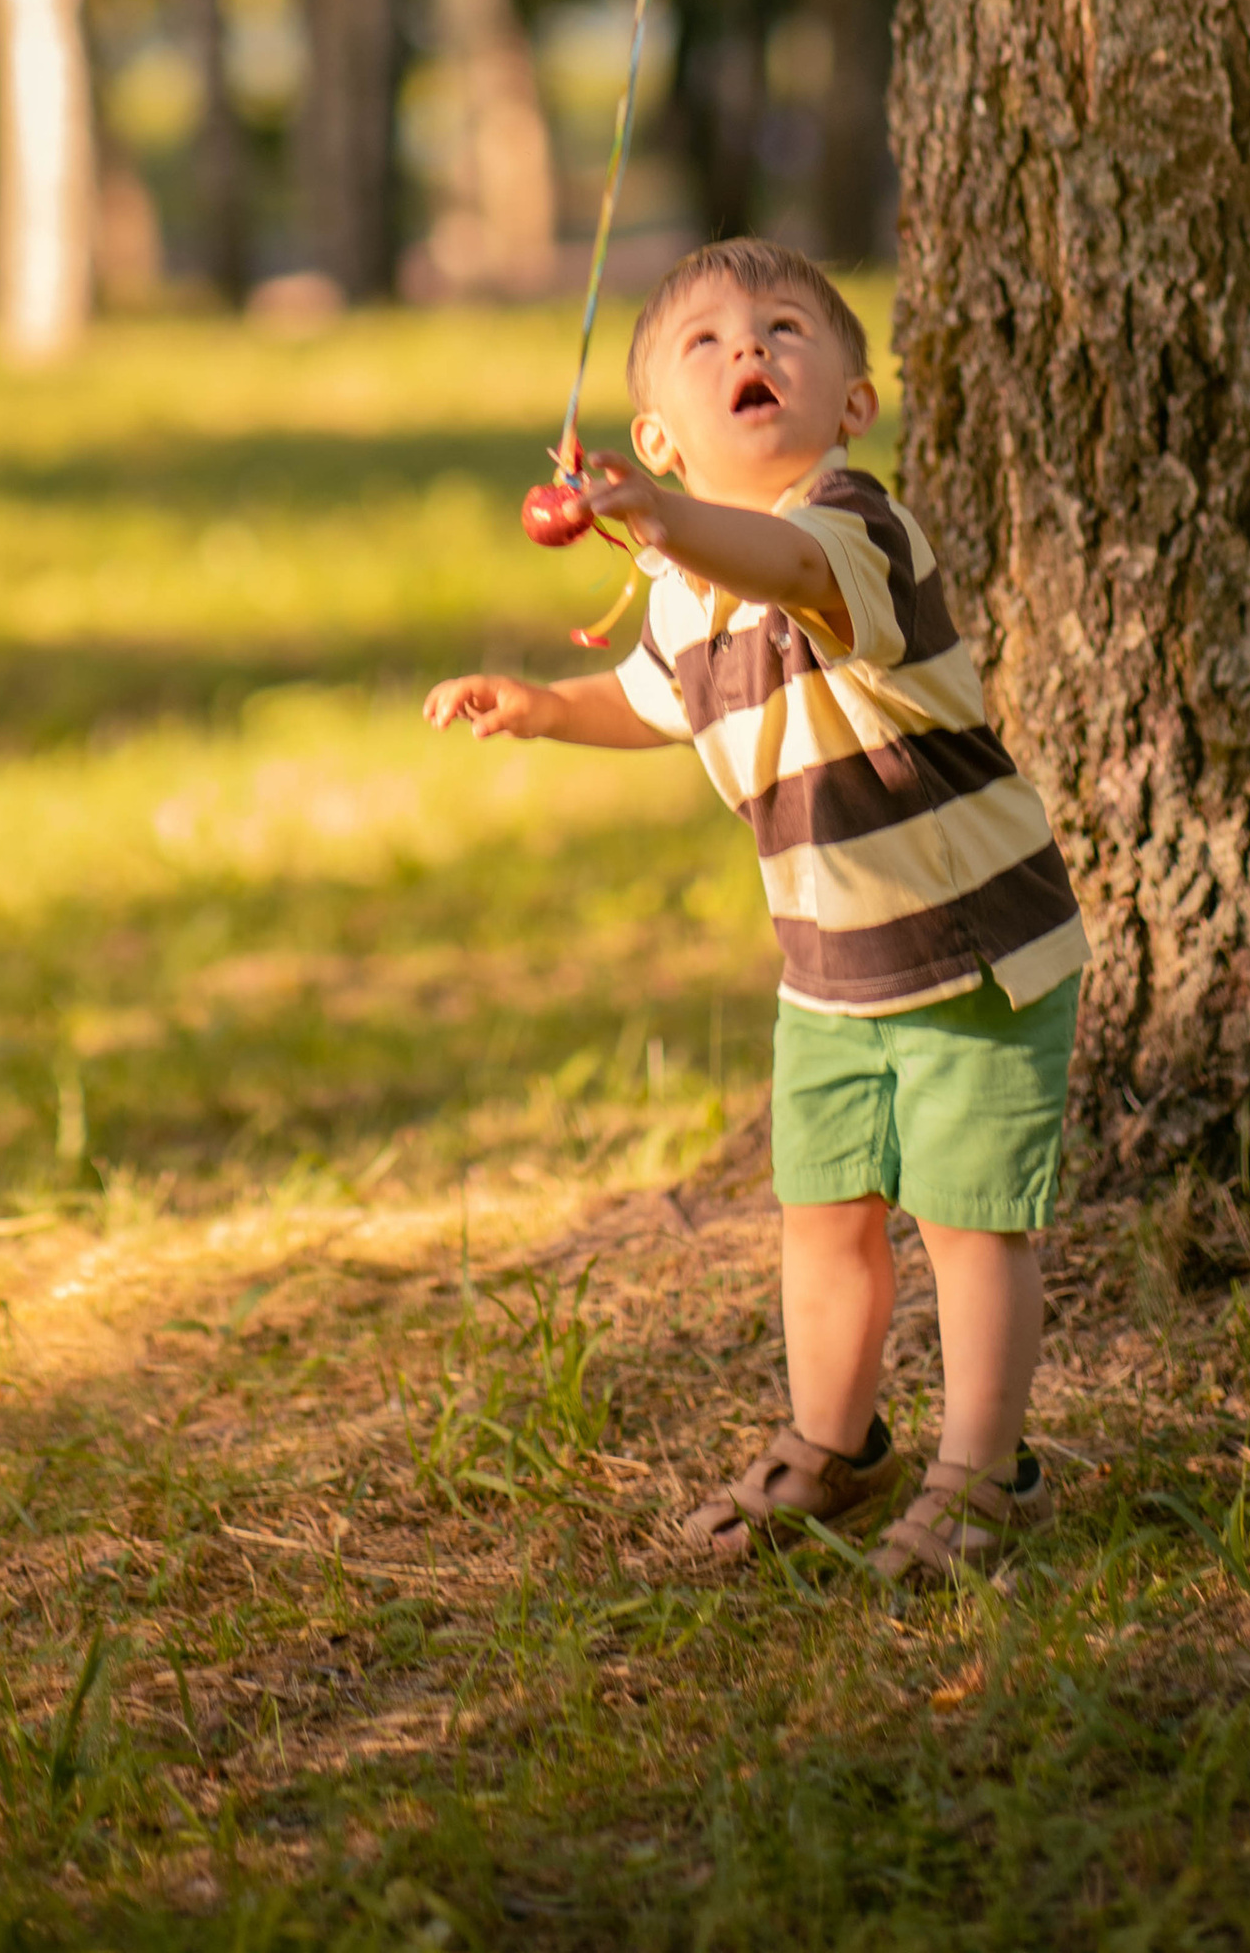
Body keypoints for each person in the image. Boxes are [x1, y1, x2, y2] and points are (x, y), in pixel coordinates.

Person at [424, 239, 1088, 1587]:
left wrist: (671, 523)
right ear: (658, 439)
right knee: (825, 1215)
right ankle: (836, 1448)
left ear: (853, 404)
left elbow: (785, 566)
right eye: (711, 342)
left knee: (971, 1222)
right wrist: (553, 710)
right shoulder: (681, 592)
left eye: (786, 330)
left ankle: (988, 1473)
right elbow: (662, 698)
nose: (751, 352)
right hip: (829, 970)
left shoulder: (855, 529)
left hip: (967, 942)